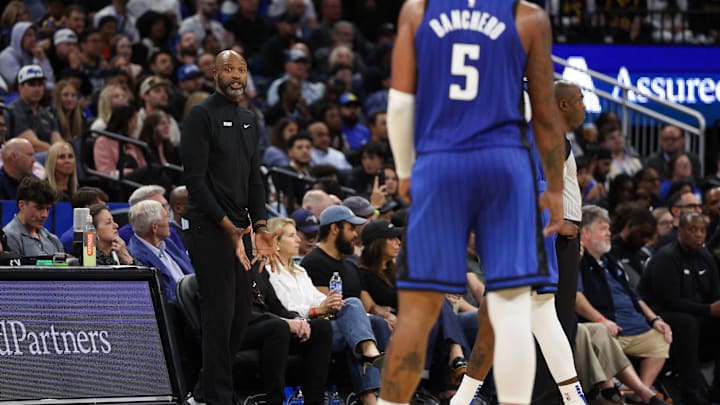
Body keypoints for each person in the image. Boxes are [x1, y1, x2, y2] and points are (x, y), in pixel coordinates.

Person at [382, 3, 566, 405]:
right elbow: (546, 111)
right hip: (505, 166)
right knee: (513, 311)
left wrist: (405, 169)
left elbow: (398, 104)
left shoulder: (418, 10)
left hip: (441, 160)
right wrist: (554, 185)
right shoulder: (528, 15)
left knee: (417, 313)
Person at [180, 50, 277, 405]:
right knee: (219, 316)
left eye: (241, 69)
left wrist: (260, 225)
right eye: (228, 69)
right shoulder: (200, 116)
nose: (236, 75)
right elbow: (195, 181)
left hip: (240, 230)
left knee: (240, 317)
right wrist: (229, 227)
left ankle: (205, 390)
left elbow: (254, 180)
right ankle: (218, 397)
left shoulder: (250, 119)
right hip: (208, 228)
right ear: (213, 74)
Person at [265, 217, 386, 404]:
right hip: (301, 330)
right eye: (291, 236)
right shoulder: (269, 272)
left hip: (322, 321)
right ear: (276, 243)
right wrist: (319, 309)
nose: (298, 239)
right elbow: (283, 308)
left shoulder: (299, 271)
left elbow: (317, 298)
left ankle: (379, 388)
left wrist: (331, 302)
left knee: (371, 318)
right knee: (354, 327)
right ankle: (371, 387)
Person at [641, 212, 720, 404]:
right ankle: (691, 392)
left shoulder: (706, 257)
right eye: (693, 230)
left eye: (702, 230)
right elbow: (670, 301)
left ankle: (717, 392)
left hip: (698, 315)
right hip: (660, 316)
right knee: (686, 323)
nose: (699, 234)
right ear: (680, 231)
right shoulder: (666, 257)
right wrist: (709, 310)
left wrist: (713, 308)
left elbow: (715, 294)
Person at [127, 200, 194, 303]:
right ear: (155, 227)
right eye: (166, 217)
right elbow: (166, 297)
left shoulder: (167, 242)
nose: (169, 221)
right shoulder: (137, 256)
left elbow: (190, 269)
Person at [3, 176, 63, 256]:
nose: (45, 215)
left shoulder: (53, 239)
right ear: (22, 205)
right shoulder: (9, 237)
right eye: (39, 208)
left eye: (48, 209)